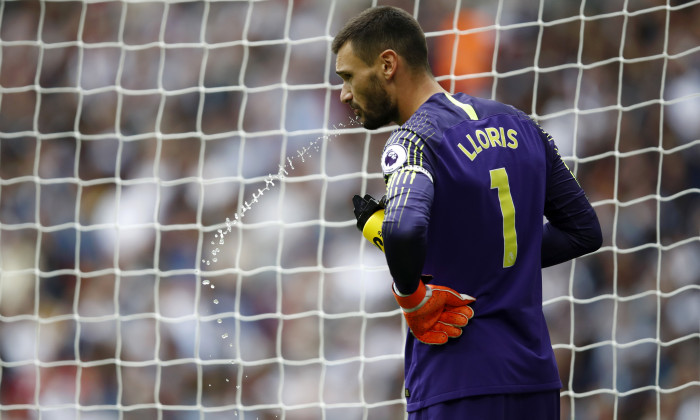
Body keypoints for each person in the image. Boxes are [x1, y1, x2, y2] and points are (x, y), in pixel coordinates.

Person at [332, 6, 603, 420]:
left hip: (455, 383)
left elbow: (404, 231)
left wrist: (412, 297)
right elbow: (584, 231)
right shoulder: (522, 124)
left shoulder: (413, 139)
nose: (344, 95)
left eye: (349, 77)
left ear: (388, 64)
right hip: (535, 380)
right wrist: (479, 260)